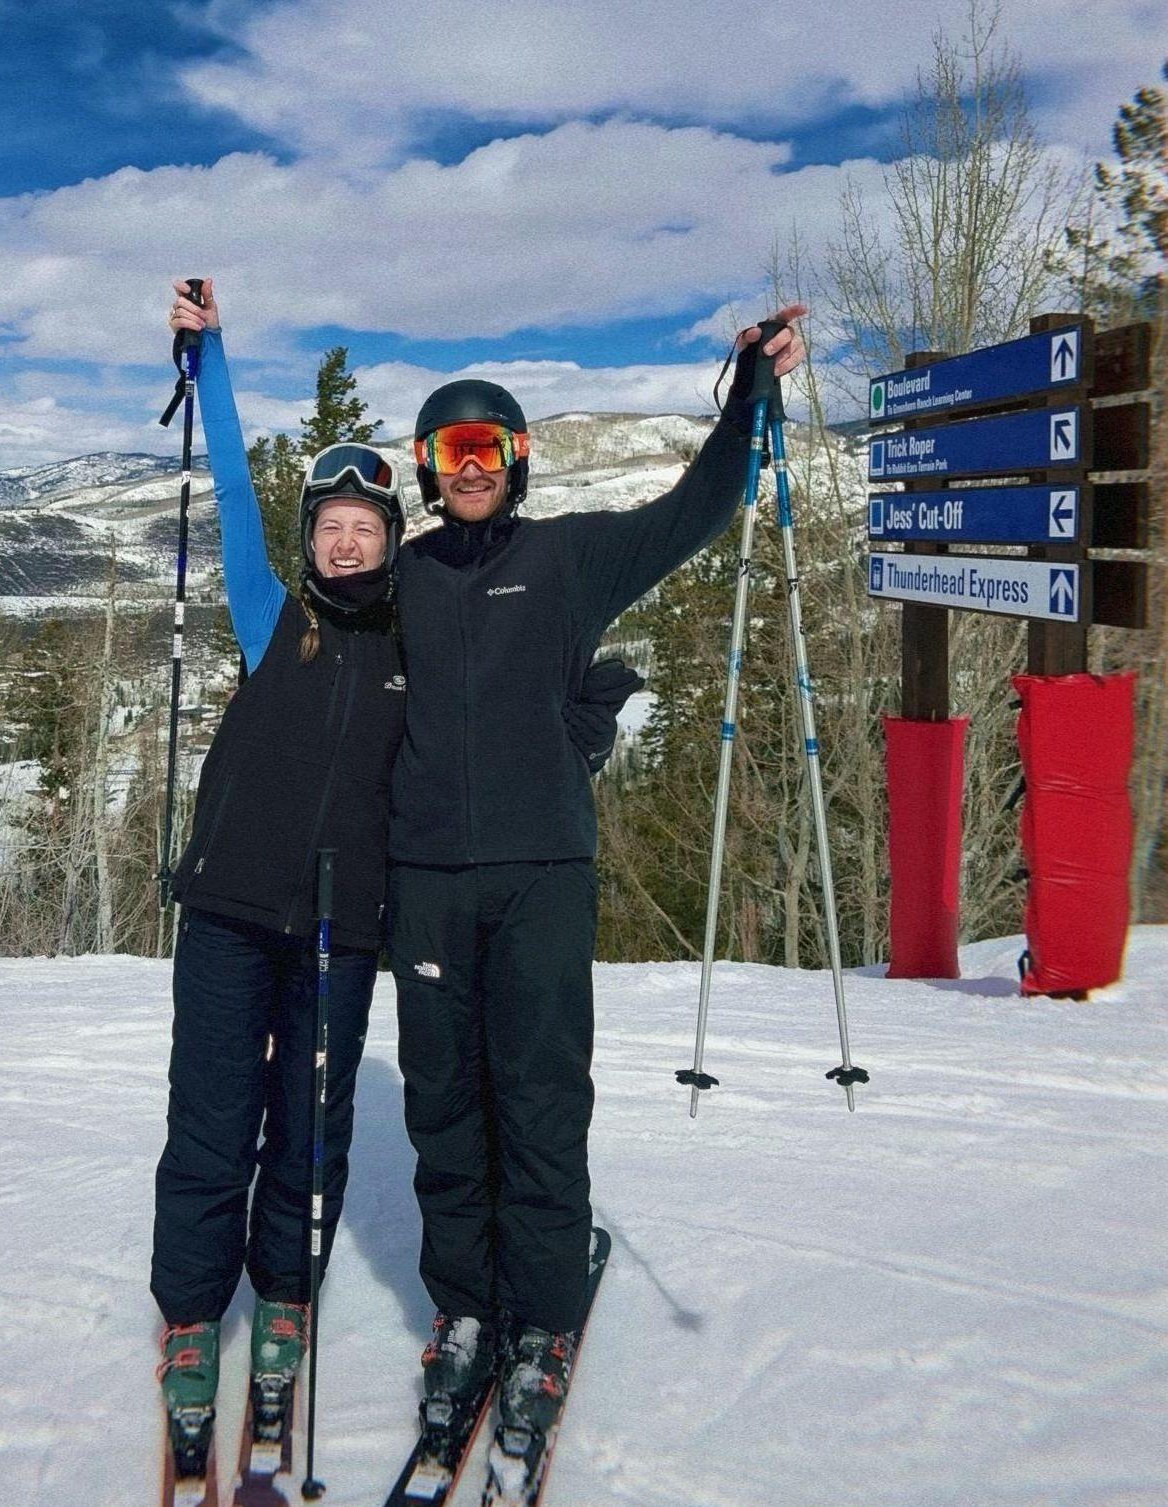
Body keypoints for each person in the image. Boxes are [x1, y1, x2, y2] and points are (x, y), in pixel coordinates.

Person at [387, 311, 809, 1444]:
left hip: (541, 874)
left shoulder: (567, 559)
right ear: (427, 473)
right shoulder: (403, 578)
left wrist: (748, 398)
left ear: (516, 462)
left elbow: (692, 514)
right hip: (424, 879)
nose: (469, 469)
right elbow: (308, 647)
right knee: (441, 1102)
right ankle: (467, 1310)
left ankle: (540, 1317)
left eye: (487, 449)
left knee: (535, 1093)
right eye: (449, 453)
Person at [150, 278, 407, 1456]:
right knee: (210, 1120)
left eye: (364, 526)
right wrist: (211, 359)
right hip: (227, 915)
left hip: (340, 927)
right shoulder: (271, 616)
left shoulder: (421, 645)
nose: (343, 539)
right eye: (329, 525)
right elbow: (241, 493)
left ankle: (288, 1298)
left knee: (311, 1129)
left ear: (389, 541)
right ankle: (194, 1317)